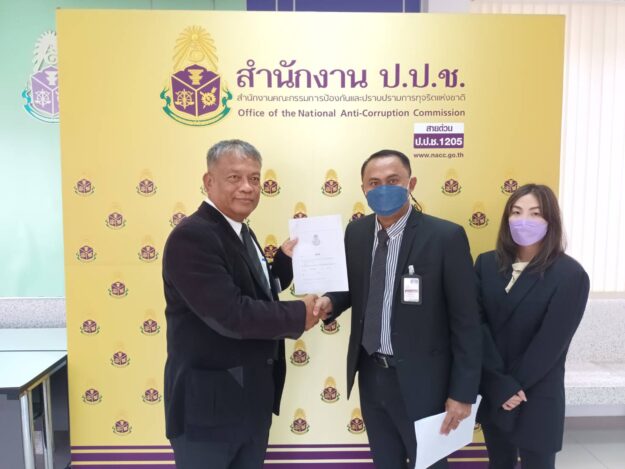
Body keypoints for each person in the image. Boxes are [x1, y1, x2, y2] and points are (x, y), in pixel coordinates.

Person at [313, 149, 482, 468]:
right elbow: (354, 287)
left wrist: (462, 392)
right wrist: (331, 302)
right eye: (374, 183)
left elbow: (467, 322)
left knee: (429, 464)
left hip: (425, 381)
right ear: (363, 189)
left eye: (393, 181)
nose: (383, 189)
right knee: (385, 462)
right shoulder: (357, 233)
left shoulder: (445, 237)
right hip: (371, 373)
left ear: (411, 184)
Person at [162, 139, 319, 469]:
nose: (247, 187)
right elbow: (230, 314)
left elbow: (254, 288)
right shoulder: (193, 236)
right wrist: (298, 314)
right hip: (209, 412)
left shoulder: (239, 231)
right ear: (209, 182)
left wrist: (283, 263)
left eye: (255, 178)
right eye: (234, 177)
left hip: (249, 403)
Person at [475, 183, 589, 469]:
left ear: (550, 220)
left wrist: (512, 388)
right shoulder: (486, 264)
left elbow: (550, 344)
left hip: (537, 393)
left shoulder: (570, 274)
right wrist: (499, 385)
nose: (523, 219)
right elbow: (477, 326)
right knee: (498, 462)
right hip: (495, 389)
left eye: (535, 213)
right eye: (516, 212)